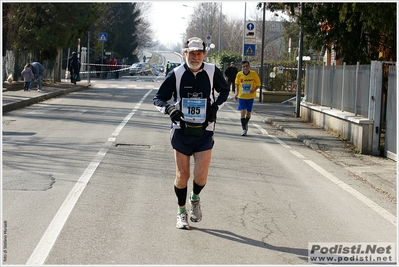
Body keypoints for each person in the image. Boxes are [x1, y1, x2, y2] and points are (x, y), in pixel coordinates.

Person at [153, 37, 229, 230]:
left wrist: (216, 107)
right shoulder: (176, 74)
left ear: (204, 54)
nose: (195, 57)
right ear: (185, 53)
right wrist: (170, 110)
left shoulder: (212, 71)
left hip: (205, 131)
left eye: (199, 53)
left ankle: (194, 198)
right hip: (181, 130)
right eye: (191, 53)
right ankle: (181, 212)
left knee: (201, 175)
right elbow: (158, 98)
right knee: (182, 175)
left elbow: (225, 91)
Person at [234, 60, 261, 136]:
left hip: (250, 96)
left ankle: (246, 122)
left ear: (249, 66)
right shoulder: (239, 74)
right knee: (243, 111)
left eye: (247, 66)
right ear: (242, 67)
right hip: (242, 96)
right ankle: (244, 129)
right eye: (244, 66)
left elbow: (258, 84)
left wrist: (254, 90)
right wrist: (236, 93)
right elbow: (237, 84)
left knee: (248, 113)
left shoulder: (253, 74)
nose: (245, 68)